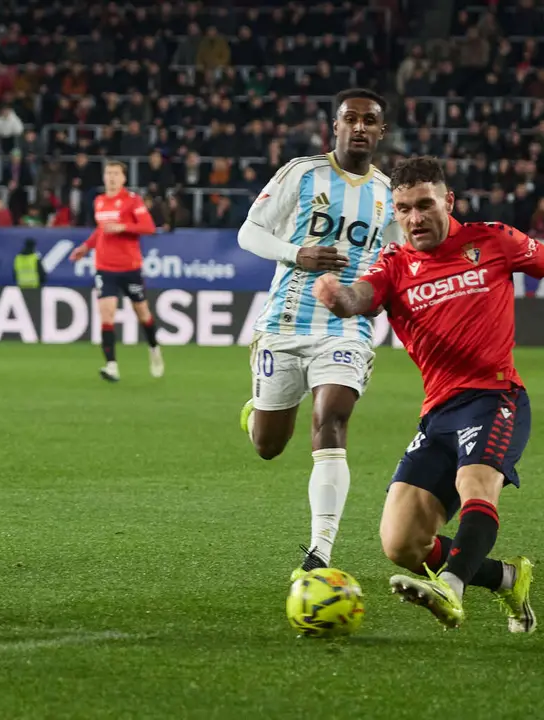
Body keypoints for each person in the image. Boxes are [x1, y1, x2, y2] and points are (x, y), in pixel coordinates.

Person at [313, 156, 544, 632]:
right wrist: (341, 299)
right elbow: (363, 297)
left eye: (425, 205)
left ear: (449, 201)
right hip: (438, 412)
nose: (415, 218)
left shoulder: (492, 239)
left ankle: (452, 588)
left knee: (476, 486)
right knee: (401, 543)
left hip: (495, 397)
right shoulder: (395, 264)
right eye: (403, 209)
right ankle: (505, 577)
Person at [235, 88, 400, 579]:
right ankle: (256, 413)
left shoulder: (390, 194)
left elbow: (396, 262)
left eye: (369, 120)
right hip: (285, 324)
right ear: (335, 126)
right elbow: (249, 232)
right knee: (269, 444)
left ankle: (320, 551)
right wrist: (296, 253)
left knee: (332, 418)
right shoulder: (302, 174)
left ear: (381, 131)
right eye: (351, 118)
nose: (360, 127)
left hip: (346, 328)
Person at [69, 160, 163, 381]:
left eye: (115, 173)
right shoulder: (99, 201)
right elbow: (101, 231)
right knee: (107, 313)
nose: (111, 177)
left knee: (142, 312)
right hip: (105, 267)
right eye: (108, 173)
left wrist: (123, 227)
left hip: (130, 267)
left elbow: (149, 227)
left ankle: (154, 347)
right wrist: (86, 247)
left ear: (123, 178)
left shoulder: (132, 201)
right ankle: (111, 366)